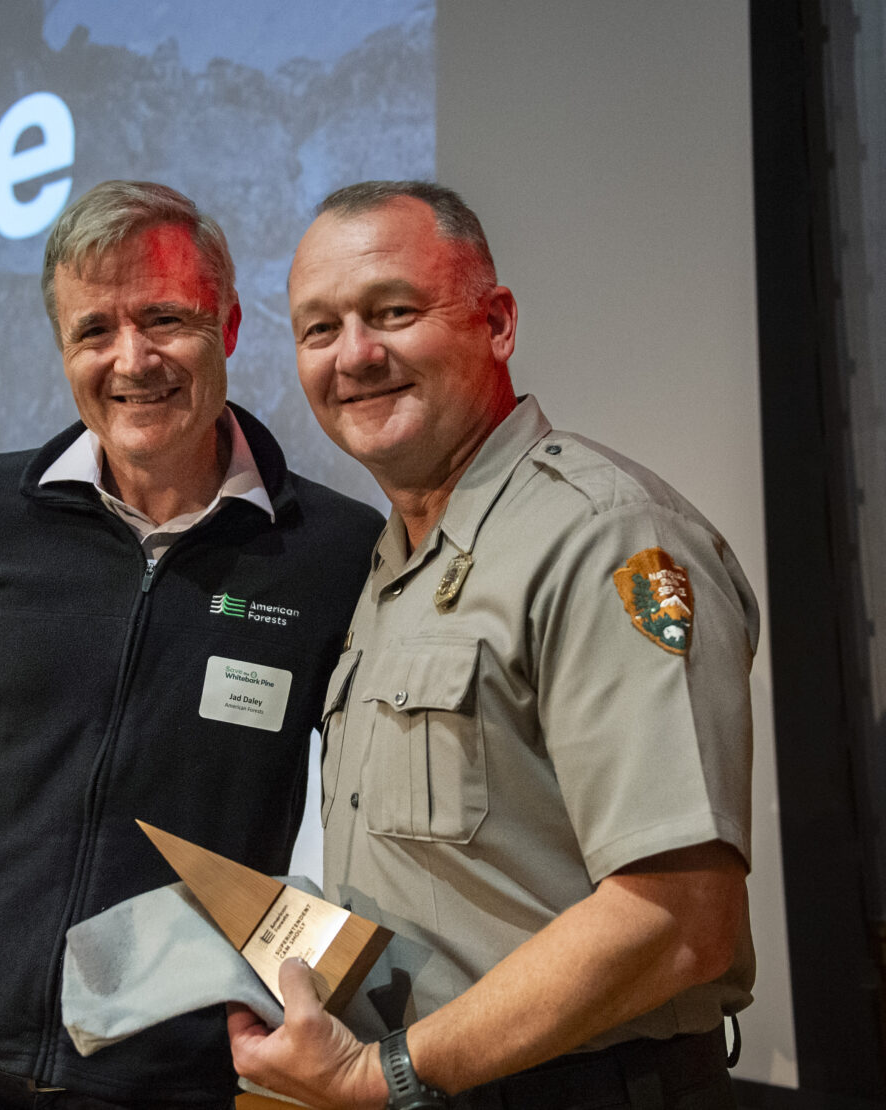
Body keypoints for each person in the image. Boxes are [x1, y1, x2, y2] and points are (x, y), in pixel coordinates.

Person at [0, 180, 383, 1110]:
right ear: (62, 349)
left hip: (161, 1090)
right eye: (94, 330)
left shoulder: (329, 554)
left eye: (165, 317)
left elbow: (376, 810)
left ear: (230, 327)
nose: (133, 360)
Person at [227, 181, 758, 1110]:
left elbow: (682, 919)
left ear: (497, 322)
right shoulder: (390, 565)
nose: (355, 355)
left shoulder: (608, 539)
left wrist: (380, 1075)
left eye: (392, 311)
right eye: (319, 329)